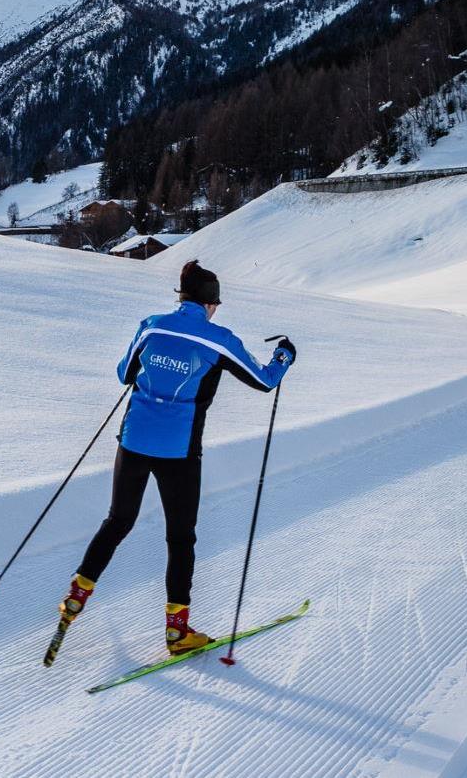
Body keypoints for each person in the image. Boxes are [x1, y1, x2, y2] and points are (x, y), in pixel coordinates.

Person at [59, 260, 296, 655]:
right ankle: (177, 632)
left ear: (181, 296)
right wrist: (284, 357)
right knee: (180, 538)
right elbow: (264, 380)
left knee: (118, 521)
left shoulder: (151, 324)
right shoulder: (218, 339)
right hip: (179, 451)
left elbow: (124, 374)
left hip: (132, 441)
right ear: (209, 304)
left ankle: (75, 598)